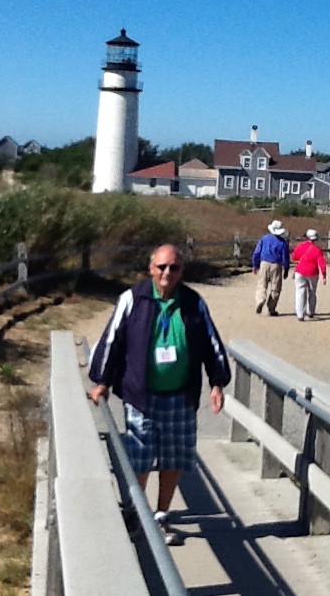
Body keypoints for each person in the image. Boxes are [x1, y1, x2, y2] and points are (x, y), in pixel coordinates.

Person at [88, 244, 231, 544]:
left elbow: (211, 344)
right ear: (151, 268)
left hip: (180, 396)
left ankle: (161, 515)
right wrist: (102, 381)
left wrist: (217, 382)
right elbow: (112, 340)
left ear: (181, 271)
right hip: (141, 396)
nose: (167, 273)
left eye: (174, 267)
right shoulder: (133, 299)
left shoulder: (193, 302)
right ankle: (136, 513)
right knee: (140, 458)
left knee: (173, 458)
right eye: (162, 267)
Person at [251, 219, 290, 316]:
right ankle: (271, 308)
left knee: (262, 284)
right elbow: (285, 257)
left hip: (264, 263)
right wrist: (286, 269)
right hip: (276, 265)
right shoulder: (283, 242)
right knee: (275, 287)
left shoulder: (264, 238)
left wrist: (255, 264)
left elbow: (256, 252)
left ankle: (260, 299)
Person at [291, 228, 327, 322]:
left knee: (300, 292)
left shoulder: (300, 246)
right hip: (313, 273)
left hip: (300, 271)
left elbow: (294, 257)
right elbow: (322, 263)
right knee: (312, 292)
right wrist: (324, 275)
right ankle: (311, 311)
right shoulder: (317, 249)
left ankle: (300, 314)